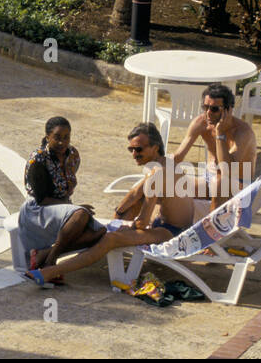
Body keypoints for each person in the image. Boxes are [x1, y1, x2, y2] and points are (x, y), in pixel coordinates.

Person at [25, 122, 195, 287]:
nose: (134, 153)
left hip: (173, 233)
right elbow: (135, 193)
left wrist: (125, 227)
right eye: (131, 149)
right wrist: (118, 214)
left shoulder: (157, 175)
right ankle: (45, 255)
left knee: (110, 239)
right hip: (169, 224)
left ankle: (50, 272)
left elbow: (142, 222)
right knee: (109, 226)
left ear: (155, 147)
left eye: (139, 149)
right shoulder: (165, 164)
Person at [17, 117, 105, 278]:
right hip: (37, 209)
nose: (62, 142)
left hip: (60, 207)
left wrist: (71, 207)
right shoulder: (38, 159)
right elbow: (42, 199)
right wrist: (73, 208)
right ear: (47, 136)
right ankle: (51, 262)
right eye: (57, 137)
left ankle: (44, 254)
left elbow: (66, 186)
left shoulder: (73, 155)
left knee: (99, 232)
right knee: (81, 214)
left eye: (66, 137)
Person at [169, 83, 257, 208]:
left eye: (214, 109)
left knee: (220, 182)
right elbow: (178, 156)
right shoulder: (201, 122)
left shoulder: (243, 132)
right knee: (162, 183)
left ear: (229, 110)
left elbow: (227, 169)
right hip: (209, 179)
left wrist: (220, 133)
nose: (208, 113)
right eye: (205, 107)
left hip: (238, 184)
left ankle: (210, 226)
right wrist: (160, 168)